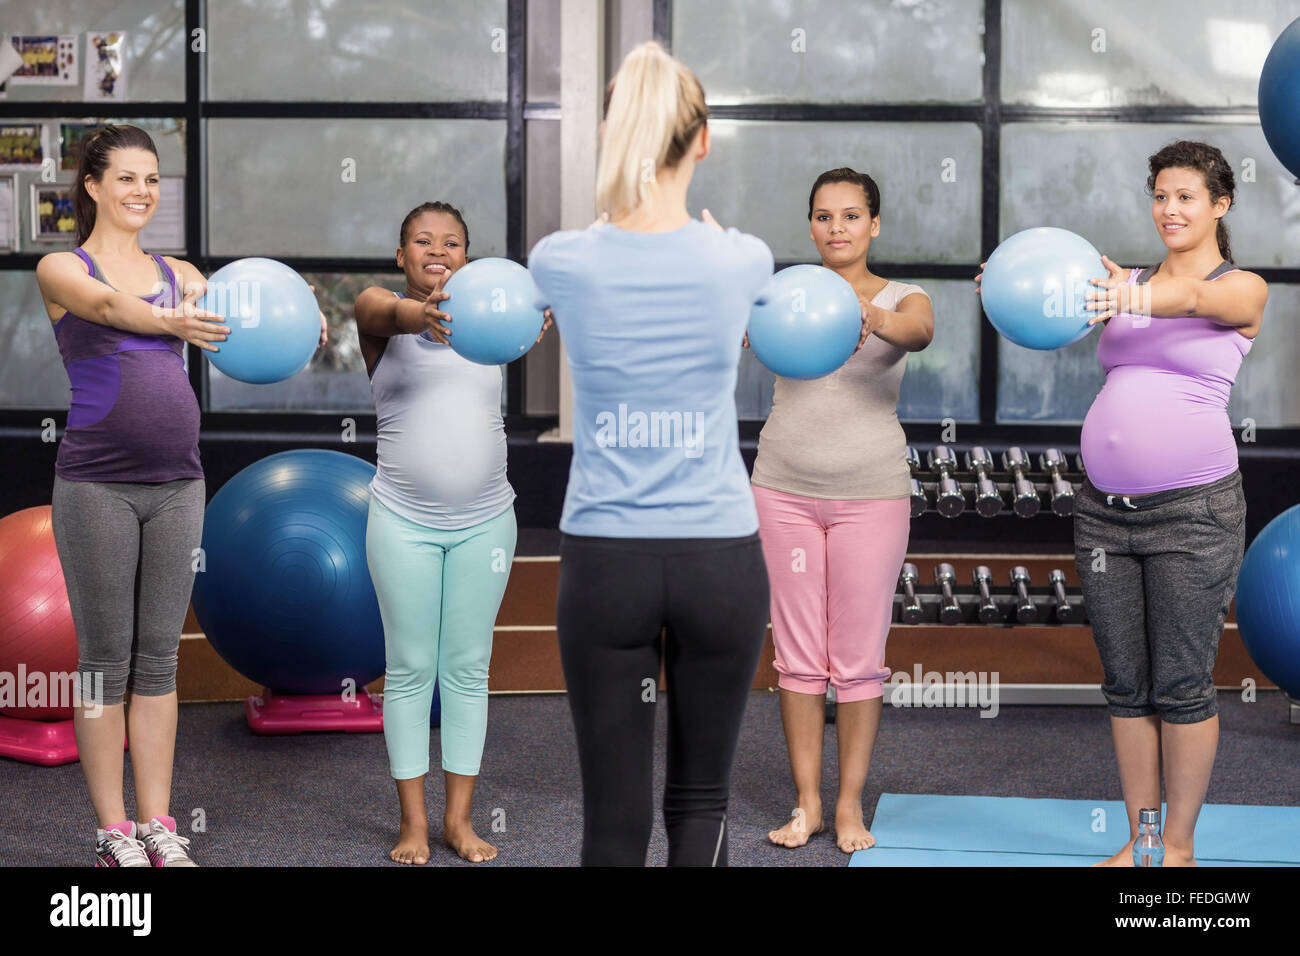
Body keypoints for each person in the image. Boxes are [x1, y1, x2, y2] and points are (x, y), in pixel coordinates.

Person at [978, 140, 1267, 866]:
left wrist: (1132, 295)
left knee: (1181, 683)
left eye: (1187, 197)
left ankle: (1178, 848)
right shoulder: (1118, 282)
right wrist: (1009, 285)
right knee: (1127, 685)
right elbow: (1050, 302)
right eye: (1161, 196)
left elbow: (1197, 298)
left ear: (1220, 205)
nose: (1170, 209)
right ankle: (1138, 844)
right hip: (1106, 513)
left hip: (1193, 515)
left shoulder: (1242, 288)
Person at [528, 42, 774, 866]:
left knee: (613, 817)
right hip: (720, 558)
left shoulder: (561, 260)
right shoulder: (742, 258)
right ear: (701, 140)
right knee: (702, 800)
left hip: (607, 562)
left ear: (615, 133)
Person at [34, 125, 228, 867]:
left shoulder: (181, 271)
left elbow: (234, 318)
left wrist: (286, 320)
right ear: (92, 185)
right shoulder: (62, 268)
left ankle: (158, 824)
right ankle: (112, 830)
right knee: (101, 661)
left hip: (181, 483)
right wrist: (170, 317)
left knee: (158, 661)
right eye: (126, 178)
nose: (142, 191)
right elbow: (113, 311)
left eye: (152, 179)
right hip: (96, 487)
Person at [355, 201, 549, 864]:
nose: (437, 251)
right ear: (401, 253)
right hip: (401, 523)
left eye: (452, 242)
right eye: (422, 241)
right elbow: (386, 311)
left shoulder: (493, 324)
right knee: (410, 669)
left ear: (469, 255)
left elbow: (538, 314)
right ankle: (411, 823)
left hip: (487, 523)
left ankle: (459, 821)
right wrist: (427, 313)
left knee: (467, 669)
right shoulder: (378, 313)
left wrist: (529, 319)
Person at [751, 168, 933, 853]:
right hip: (783, 492)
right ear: (810, 226)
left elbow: (919, 331)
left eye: (851, 216)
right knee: (797, 657)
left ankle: (851, 805)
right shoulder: (783, 295)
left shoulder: (901, 297)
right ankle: (808, 805)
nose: (837, 228)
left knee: (857, 659)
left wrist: (870, 316)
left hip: (871, 496)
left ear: (873, 225)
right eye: (824, 216)